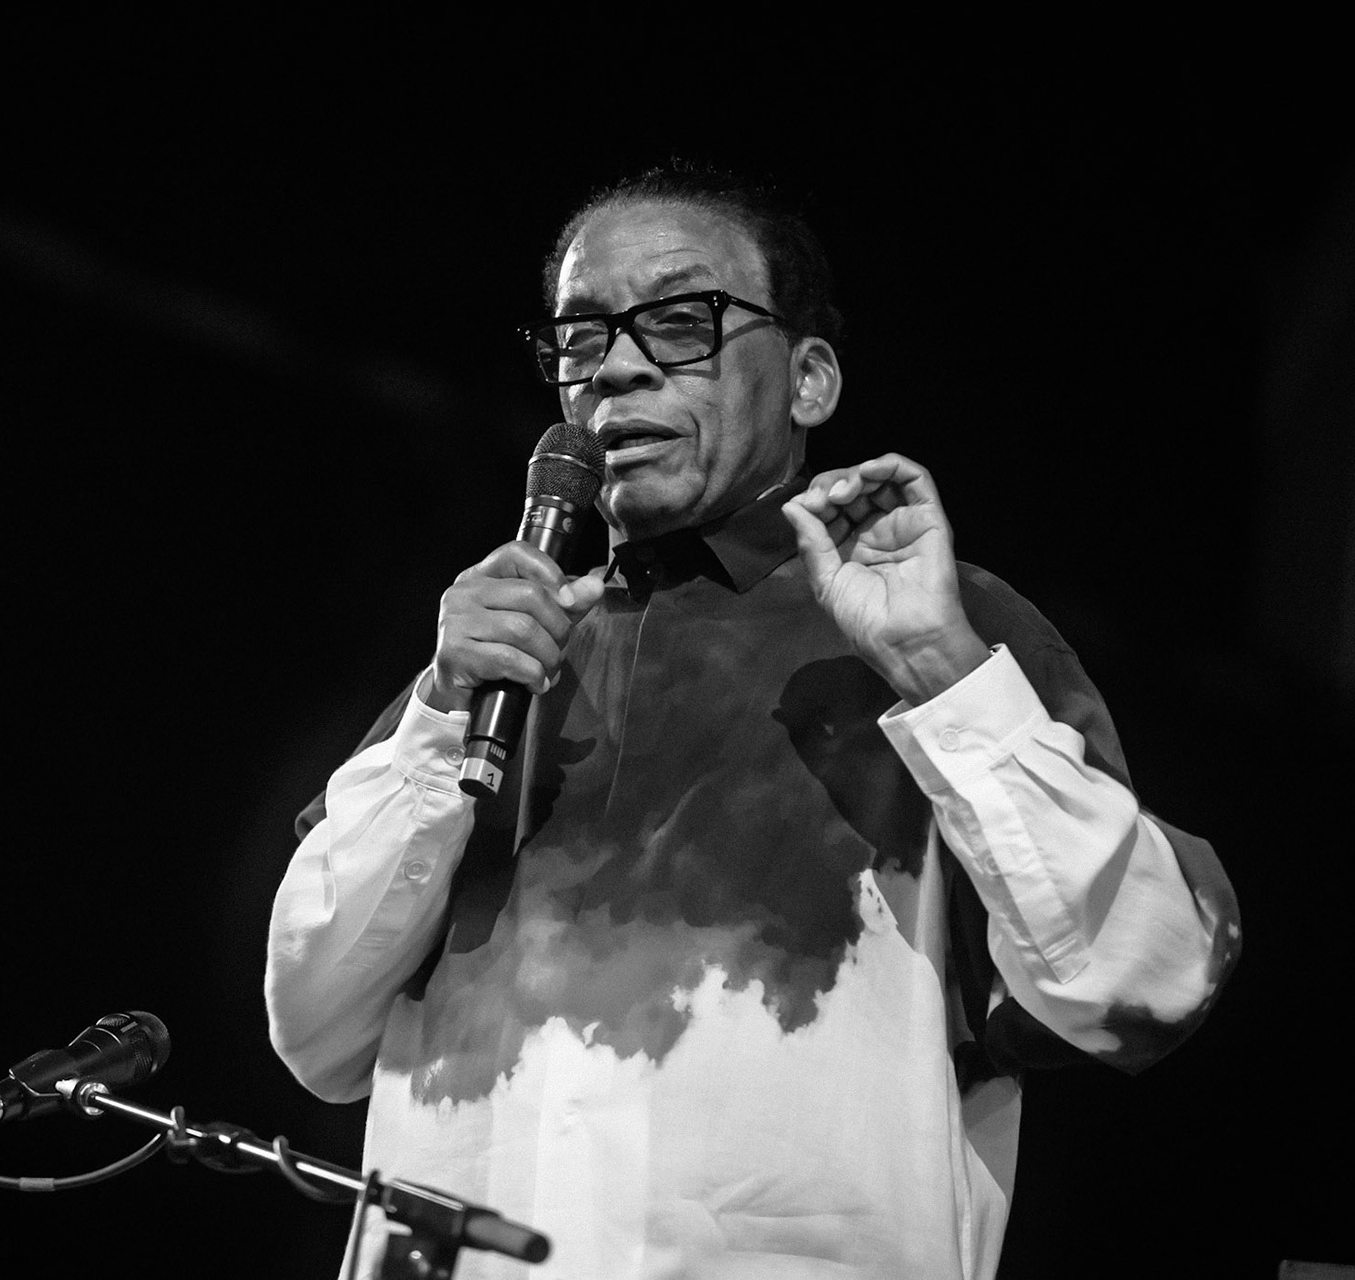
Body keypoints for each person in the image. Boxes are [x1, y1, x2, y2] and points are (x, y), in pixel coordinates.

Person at [264, 165, 1240, 1280]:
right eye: (580, 340)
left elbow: (1144, 977)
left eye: (680, 321)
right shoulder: (495, 670)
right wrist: (439, 713)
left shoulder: (931, 626)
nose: (617, 368)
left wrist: (939, 667)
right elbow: (314, 1030)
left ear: (810, 379)